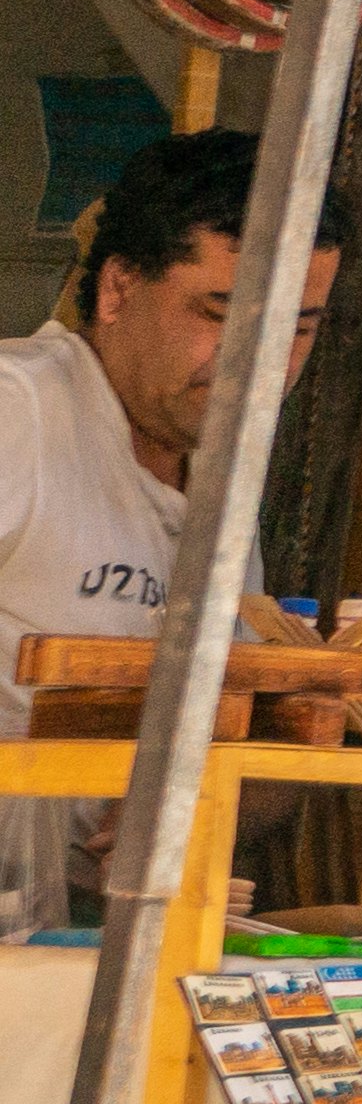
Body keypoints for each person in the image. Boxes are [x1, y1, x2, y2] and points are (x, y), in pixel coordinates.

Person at [3, 134, 275, 924]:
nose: (260, 360)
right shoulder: (19, 412)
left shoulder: (222, 483)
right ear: (118, 288)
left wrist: (193, 805)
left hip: (94, 924)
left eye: (298, 328)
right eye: (220, 312)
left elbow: (252, 730)